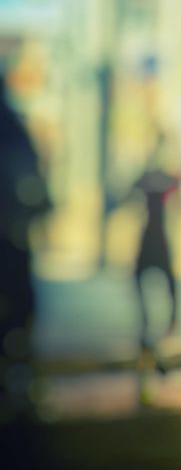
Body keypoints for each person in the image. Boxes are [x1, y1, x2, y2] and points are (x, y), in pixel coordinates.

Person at [0, 73, 51, 464]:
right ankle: (21, 383)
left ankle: (20, 383)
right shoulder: (15, 130)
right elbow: (37, 190)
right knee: (20, 314)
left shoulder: (15, 130)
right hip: (12, 243)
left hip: (11, 242)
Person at [128, 138, 181, 403]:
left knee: (150, 312)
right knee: (165, 303)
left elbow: (129, 194)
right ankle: (154, 353)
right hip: (157, 242)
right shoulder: (164, 179)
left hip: (151, 241)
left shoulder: (153, 178)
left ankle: (153, 352)